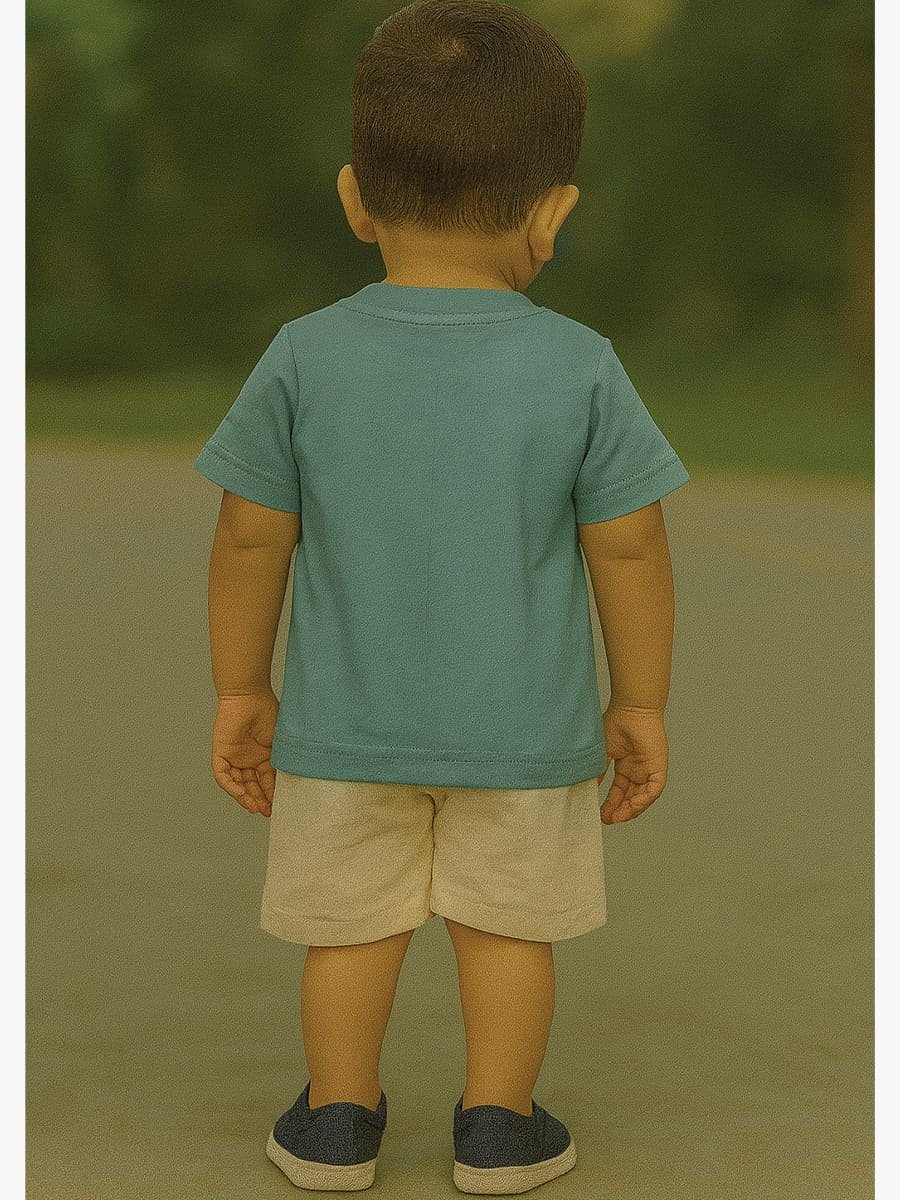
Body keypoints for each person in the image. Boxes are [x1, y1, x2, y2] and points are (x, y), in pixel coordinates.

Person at [193, 0, 690, 1192]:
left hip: (341, 732)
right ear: (552, 214)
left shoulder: (303, 355)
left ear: (355, 198)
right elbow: (630, 549)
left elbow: (249, 536)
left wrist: (241, 688)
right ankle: (500, 1127)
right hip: (527, 737)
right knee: (508, 926)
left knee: (349, 929)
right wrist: (639, 703)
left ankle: (337, 1123)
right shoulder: (580, 367)